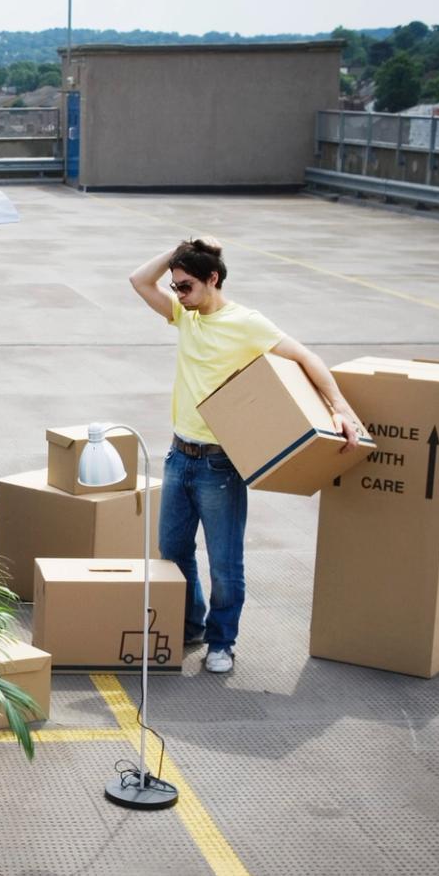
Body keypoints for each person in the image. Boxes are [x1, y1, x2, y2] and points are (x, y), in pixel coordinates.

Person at [128, 239, 361, 675]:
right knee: (173, 550)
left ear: (212, 279)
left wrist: (339, 408)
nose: (178, 294)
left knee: (224, 561)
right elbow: (139, 280)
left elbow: (307, 357)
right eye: (175, 287)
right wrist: (178, 248)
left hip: (220, 465)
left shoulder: (247, 323)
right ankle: (191, 624)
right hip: (179, 458)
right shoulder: (185, 317)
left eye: (186, 286)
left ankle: (222, 641)